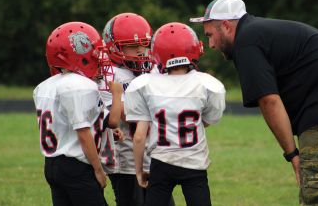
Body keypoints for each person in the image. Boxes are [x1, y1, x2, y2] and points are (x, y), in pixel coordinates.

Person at [190, 0, 318, 205]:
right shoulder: (257, 32)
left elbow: (269, 101)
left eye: (210, 35)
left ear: (226, 26)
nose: (211, 44)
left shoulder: (247, 41)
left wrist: (292, 155)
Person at [125, 22, 226, 206]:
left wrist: (139, 171)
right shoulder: (207, 84)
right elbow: (208, 120)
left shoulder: (146, 84)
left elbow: (139, 137)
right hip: (194, 162)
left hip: (161, 163)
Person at [33, 21, 120, 206]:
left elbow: (65, 123)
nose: (99, 58)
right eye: (94, 53)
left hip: (51, 164)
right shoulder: (79, 86)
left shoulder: (44, 86)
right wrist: (98, 169)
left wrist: (105, 130)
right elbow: (82, 132)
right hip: (76, 166)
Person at [100, 13, 174, 206]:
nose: (141, 52)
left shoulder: (155, 69)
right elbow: (127, 113)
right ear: (114, 47)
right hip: (126, 162)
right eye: (133, 47)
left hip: (155, 158)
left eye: (145, 45)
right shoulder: (109, 74)